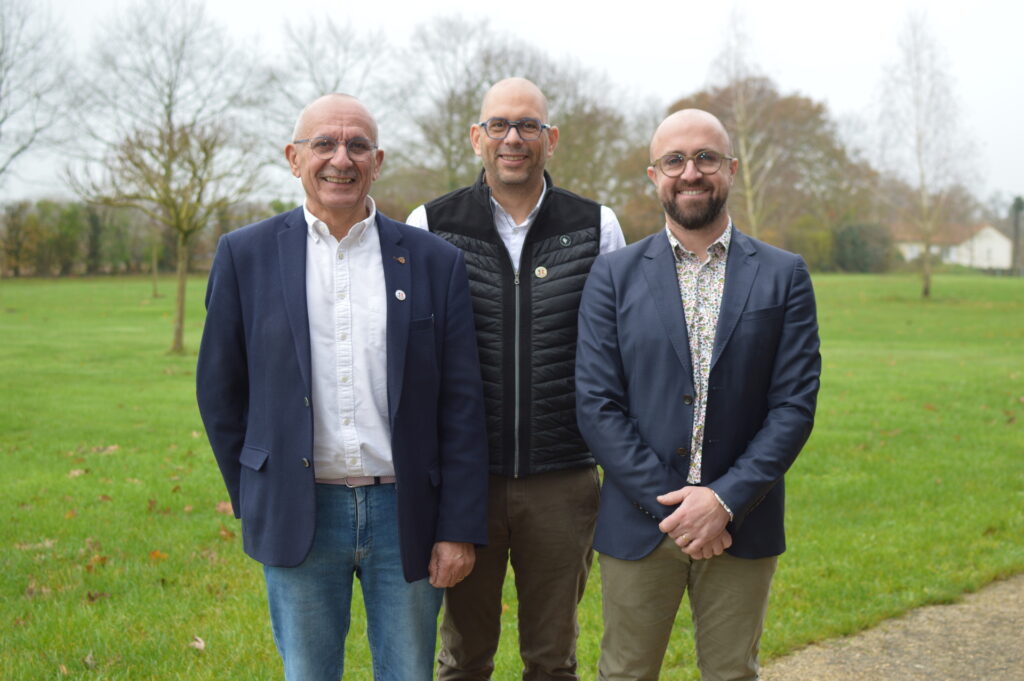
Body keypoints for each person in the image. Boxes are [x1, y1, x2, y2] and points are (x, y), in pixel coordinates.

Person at [196, 93, 489, 681]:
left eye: (357, 145)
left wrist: (456, 526)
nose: (341, 158)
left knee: (408, 673)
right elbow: (220, 392)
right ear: (293, 157)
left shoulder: (434, 261)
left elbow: (461, 406)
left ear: (377, 161)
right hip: (300, 510)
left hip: (403, 511)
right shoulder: (244, 255)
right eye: (324, 144)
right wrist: (257, 491)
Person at [575, 108, 821, 681]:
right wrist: (678, 505)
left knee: (733, 673)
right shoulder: (613, 275)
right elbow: (596, 403)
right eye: (675, 160)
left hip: (743, 519)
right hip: (642, 521)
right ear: (653, 175)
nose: (691, 172)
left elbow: (793, 407)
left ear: (731, 169)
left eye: (706, 158)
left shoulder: (783, 275)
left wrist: (722, 501)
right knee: (624, 673)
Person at [405, 77, 625, 680]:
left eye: (528, 126)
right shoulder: (431, 223)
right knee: (463, 656)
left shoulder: (596, 225)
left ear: (550, 139)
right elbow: (412, 360)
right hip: (465, 483)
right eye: (499, 125)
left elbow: (616, 351)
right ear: (477, 137)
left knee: (552, 658)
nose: (513, 138)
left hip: (563, 477)